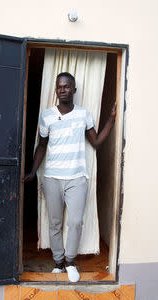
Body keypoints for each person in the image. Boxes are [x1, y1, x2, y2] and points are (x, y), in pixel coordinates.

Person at [23, 72, 116, 282]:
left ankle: (71, 261)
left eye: (66, 86)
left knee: (75, 222)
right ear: (55, 90)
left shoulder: (83, 114)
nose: (62, 90)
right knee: (55, 223)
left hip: (76, 178)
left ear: (74, 90)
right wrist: (32, 171)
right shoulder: (47, 115)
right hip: (52, 178)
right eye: (59, 87)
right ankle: (58, 263)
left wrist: (111, 119)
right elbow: (42, 146)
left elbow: (96, 142)